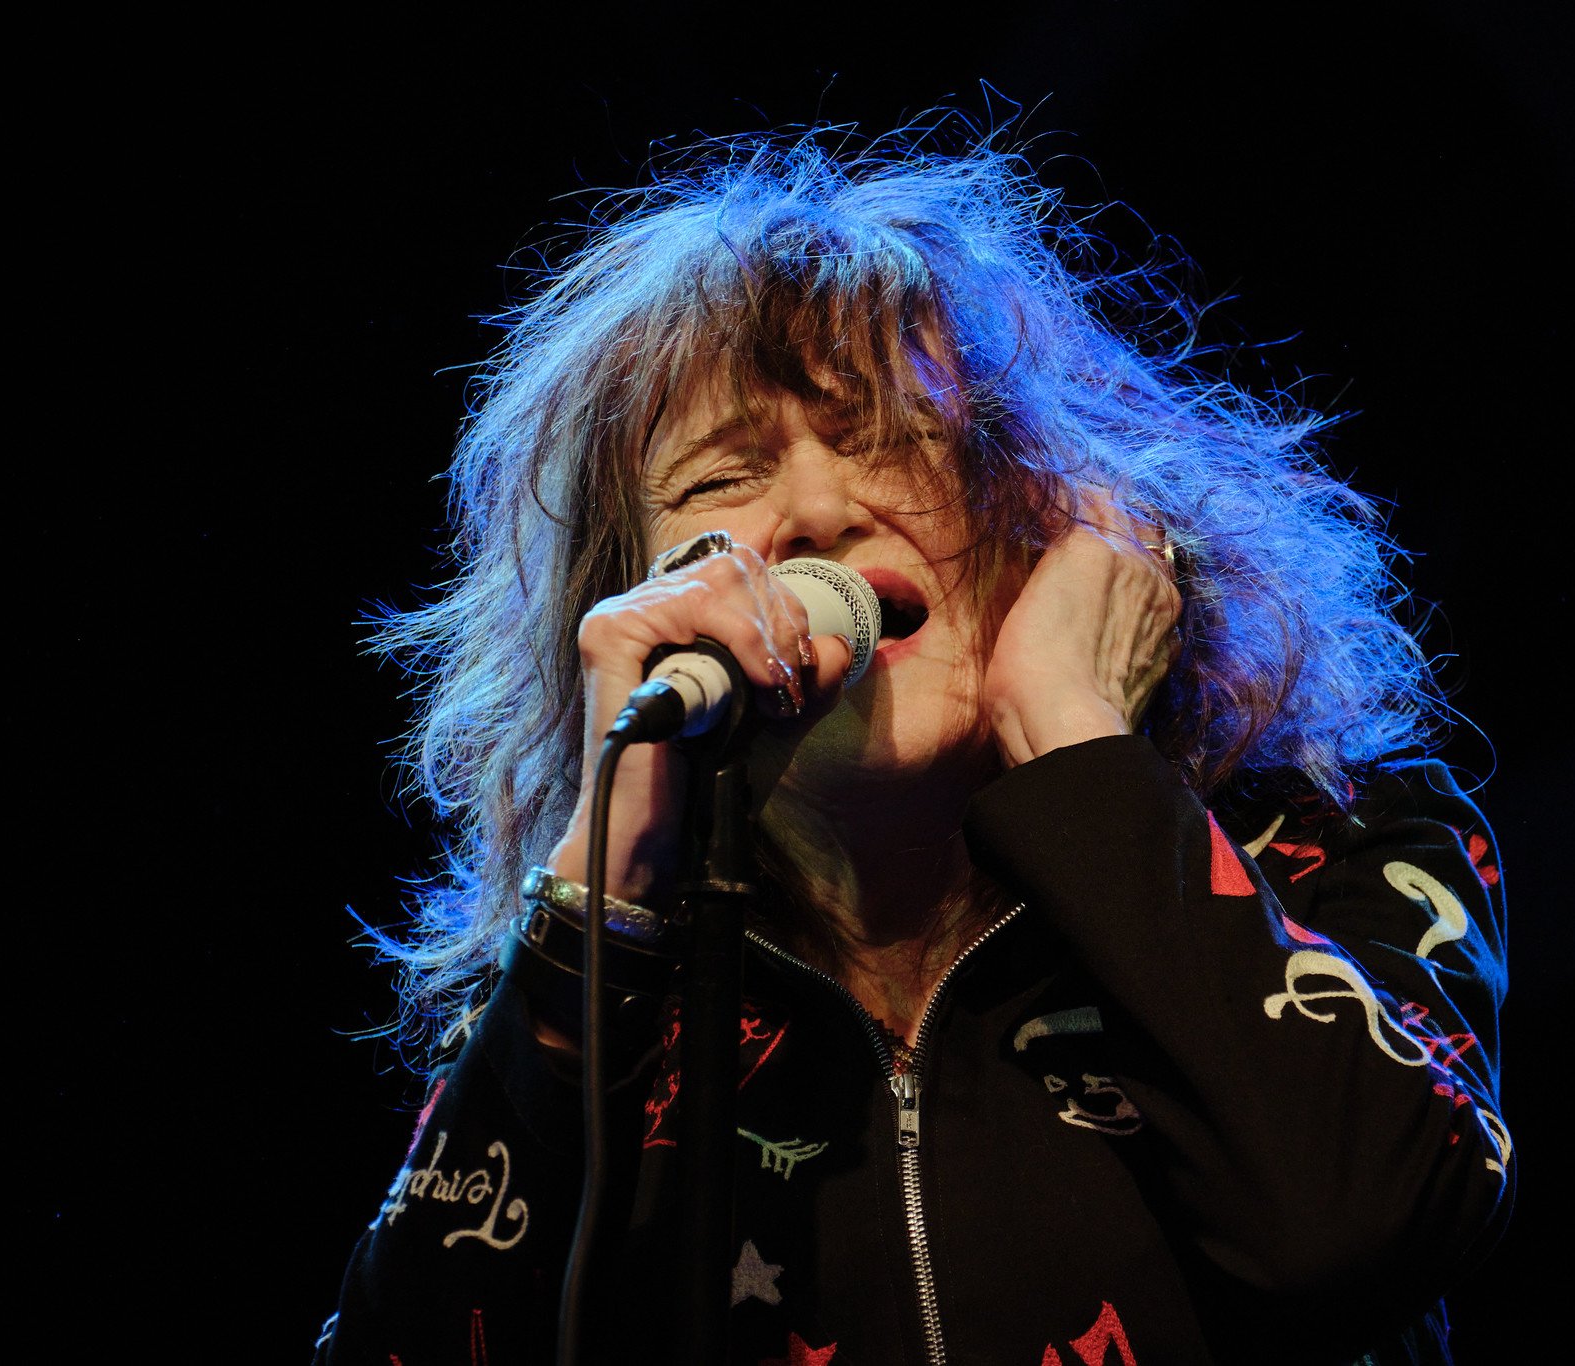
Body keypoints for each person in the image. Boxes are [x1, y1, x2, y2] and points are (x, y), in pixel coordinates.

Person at [316, 129, 1513, 1365]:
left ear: (1042, 504)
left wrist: (1074, 734)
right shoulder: (590, 1001)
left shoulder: (1321, 840)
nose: (817, 511)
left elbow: (1362, 1225)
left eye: (885, 436)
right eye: (721, 477)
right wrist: (600, 901)